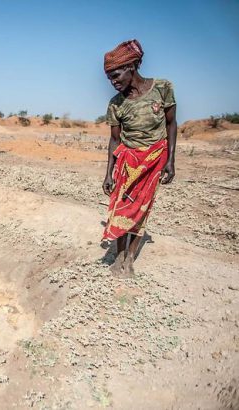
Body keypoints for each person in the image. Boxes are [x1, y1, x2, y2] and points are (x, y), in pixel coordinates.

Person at [101, 39, 177, 277]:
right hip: (128, 161)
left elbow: (171, 124)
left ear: (131, 67)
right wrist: (108, 173)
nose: (113, 82)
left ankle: (130, 257)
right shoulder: (116, 104)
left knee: (142, 208)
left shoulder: (162, 88)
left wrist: (171, 161)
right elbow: (115, 140)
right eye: (109, 78)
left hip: (154, 159)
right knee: (123, 207)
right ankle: (119, 255)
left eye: (116, 75)